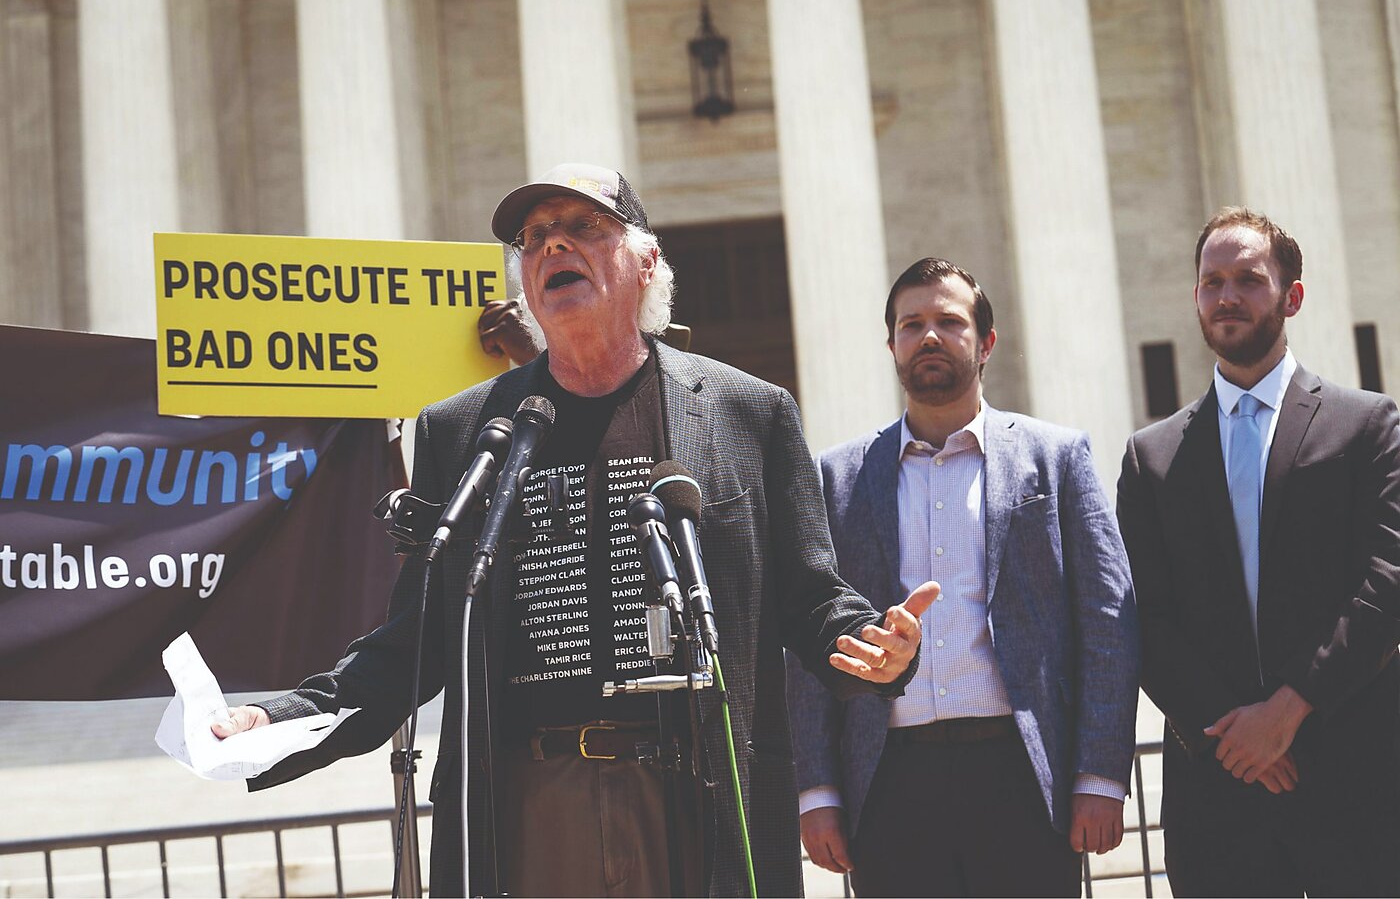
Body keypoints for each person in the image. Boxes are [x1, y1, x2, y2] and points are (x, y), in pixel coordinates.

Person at [213, 163, 934, 897]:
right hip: (526, 812)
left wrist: (873, 648)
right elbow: (418, 638)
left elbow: (809, 594)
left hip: (700, 801)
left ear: (646, 261)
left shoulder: (748, 411)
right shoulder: (464, 430)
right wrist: (277, 719)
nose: (553, 246)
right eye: (534, 238)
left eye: (583, 227)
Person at [786, 258, 1139, 897]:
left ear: (986, 343)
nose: (928, 336)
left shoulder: (1055, 460)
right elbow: (808, 643)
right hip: (887, 783)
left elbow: (1108, 619)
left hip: (1023, 774)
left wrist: (1100, 777)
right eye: (910, 324)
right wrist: (816, 789)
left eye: (949, 322)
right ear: (890, 343)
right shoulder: (837, 479)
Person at [1116, 207, 1400, 896]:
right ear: (1196, 300)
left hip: (1354, 778)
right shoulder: (1151, 457)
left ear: (1292, 296)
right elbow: (1142, 614)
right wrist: (1232, 737)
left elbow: (1387, 581)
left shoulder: (1368, 425)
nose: (1227, 297)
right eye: (1212, 282)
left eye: (1248, 279)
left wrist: (1292, 707)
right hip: (1219, 792)